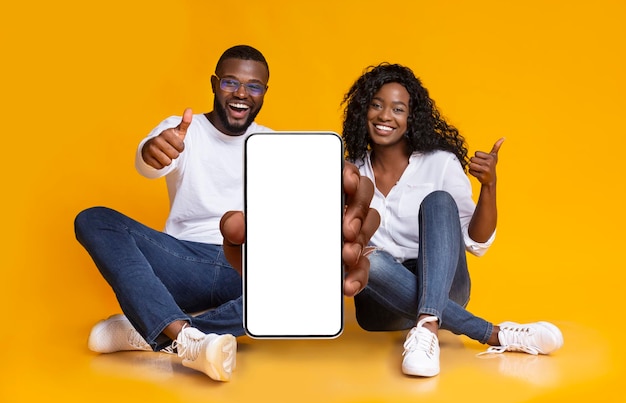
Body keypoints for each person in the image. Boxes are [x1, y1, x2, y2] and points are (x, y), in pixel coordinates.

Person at [74, 45, 379, 382]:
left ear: (264, 93)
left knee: (309, 284)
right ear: (213, 84)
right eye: (230, 82)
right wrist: (151, 152)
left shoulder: (272, 144)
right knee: (94, 218)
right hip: (181, 263)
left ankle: (160, 332)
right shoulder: (181, 131)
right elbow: (150, 160)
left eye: (253, 86)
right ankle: (178, 333)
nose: (241, 94)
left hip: (245, 265)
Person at [340, 63, 563, 378]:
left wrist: (489, 186)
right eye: (376, 105)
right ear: (363, 111)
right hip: (380, 304)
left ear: (411, 117)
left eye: (398, 108)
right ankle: (495, 334)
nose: (385, 115)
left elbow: (477, 243)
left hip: (445, 287)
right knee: (367, 259)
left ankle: (426, 326)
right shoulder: (349, 172)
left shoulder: (440, 164)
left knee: (439, 201)